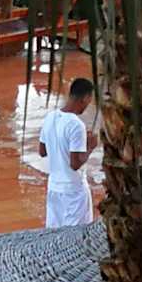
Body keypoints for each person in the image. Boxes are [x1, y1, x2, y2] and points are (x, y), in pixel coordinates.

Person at [39, 76, 95, 229]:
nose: (88, 106)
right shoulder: (76, 125)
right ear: (85, 98)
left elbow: (42, 151)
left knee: (54, 233)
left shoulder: (50, 117)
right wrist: (90, 147)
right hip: (73, 191)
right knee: (77, 235)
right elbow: (75, 164)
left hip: (54, 188)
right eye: (89, 101)